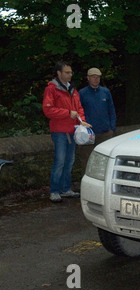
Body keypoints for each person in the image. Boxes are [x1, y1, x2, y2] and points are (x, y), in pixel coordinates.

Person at [43, 61, 92, 203]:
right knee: (59, 161)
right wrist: (67, 113)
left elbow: (79, 108)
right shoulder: (51, 89)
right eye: (67, 72)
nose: (70, 75)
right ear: (59, 73)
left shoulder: (72, 89)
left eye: (71, 72)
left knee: (69, 161)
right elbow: (48, 110)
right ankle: (54, 191)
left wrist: (81, 121)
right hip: (59, 131)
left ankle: (65, 189)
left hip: (73, 131)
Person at [78, 67, 116, 170]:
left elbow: (111, 110)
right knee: (87, 160)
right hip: (88, 134)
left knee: (105, 161)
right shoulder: (82, 93)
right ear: (88, 78)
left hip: (105, 133)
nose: (96, 79)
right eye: (93, 77)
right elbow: (78, 112)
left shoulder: (105, 92)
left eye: (98, 77)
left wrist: (112, 128)